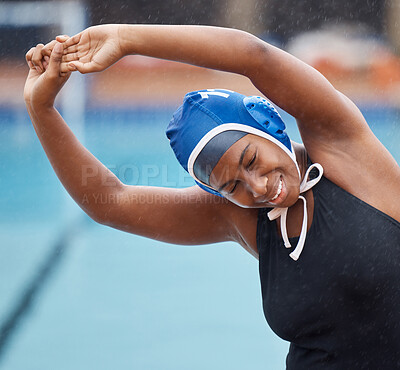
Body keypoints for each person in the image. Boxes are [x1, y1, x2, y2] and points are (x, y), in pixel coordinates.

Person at [25, 25, 400, 368]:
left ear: (267, 124)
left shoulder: (345, 151)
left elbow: (253, 56)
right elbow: (110, 201)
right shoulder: (239, 216)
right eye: (231, 186)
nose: (257, 187)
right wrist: (40, 109)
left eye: (251, 159)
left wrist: (127, 39)